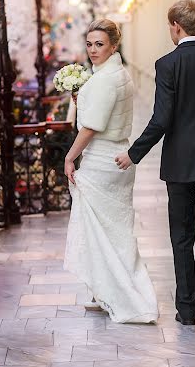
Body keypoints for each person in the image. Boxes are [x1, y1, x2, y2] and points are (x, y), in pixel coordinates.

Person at [116, 0, 195, 340]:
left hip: (180, 164)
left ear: (176, 25)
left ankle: (187, 309)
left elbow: (162, 118)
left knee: (182, 236)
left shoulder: (167, 64)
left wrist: (134, 153)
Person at [63, 19, 159, 324]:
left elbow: (92, 126)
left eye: (99, 44)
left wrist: (69, 157)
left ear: (113, 46)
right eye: (89, 44)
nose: (93, 50)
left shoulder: (106, 78)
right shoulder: (114, 73)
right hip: (114, 157)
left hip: (103, 161)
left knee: (106, 232)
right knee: (110, 232)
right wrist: (82, 97)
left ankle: (129, 298)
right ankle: (105, 290)